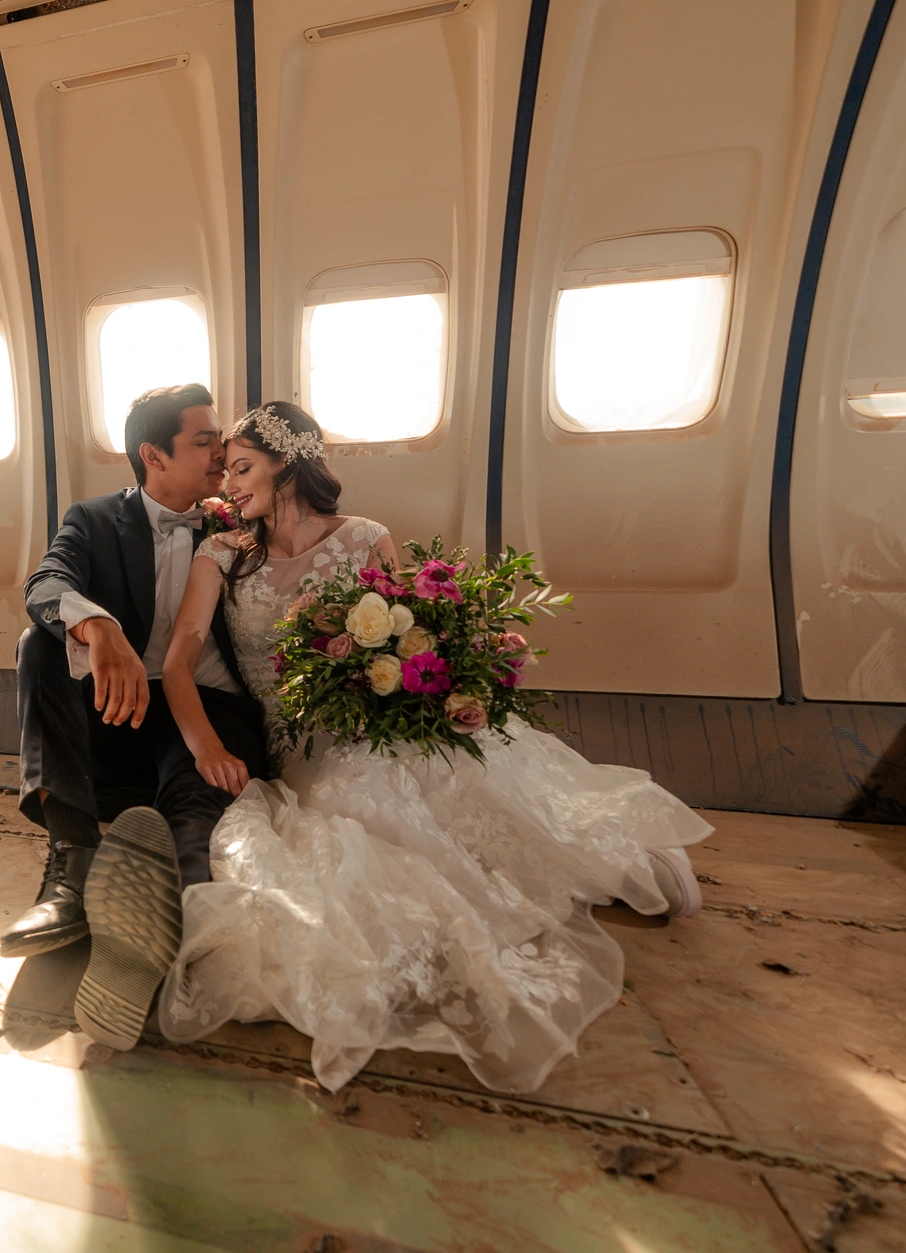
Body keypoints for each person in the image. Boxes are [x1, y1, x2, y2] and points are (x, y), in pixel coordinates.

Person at [153, 401, 708, 1093]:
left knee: (442, 776)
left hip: (375, 722)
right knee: (354, 813)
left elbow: (410, 634)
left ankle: (612, 858)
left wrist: (445, 685)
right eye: (227, 471)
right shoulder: (223, 554)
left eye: (241, 468)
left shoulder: (366, 537)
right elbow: (178, 662)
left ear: (287, 463)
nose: (229, 485)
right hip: (296, 740)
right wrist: (206, 746)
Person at [4, 384, 269, 1051]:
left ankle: (162, 922)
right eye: (205, 440)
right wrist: (97, 625)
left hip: (205, 707)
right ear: (154, 454)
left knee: (193, 798)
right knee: (40, 642)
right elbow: (45, 585)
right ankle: (71, 864)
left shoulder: (233, 520)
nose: (221, 451)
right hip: (119, 712)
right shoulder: (94, 519)